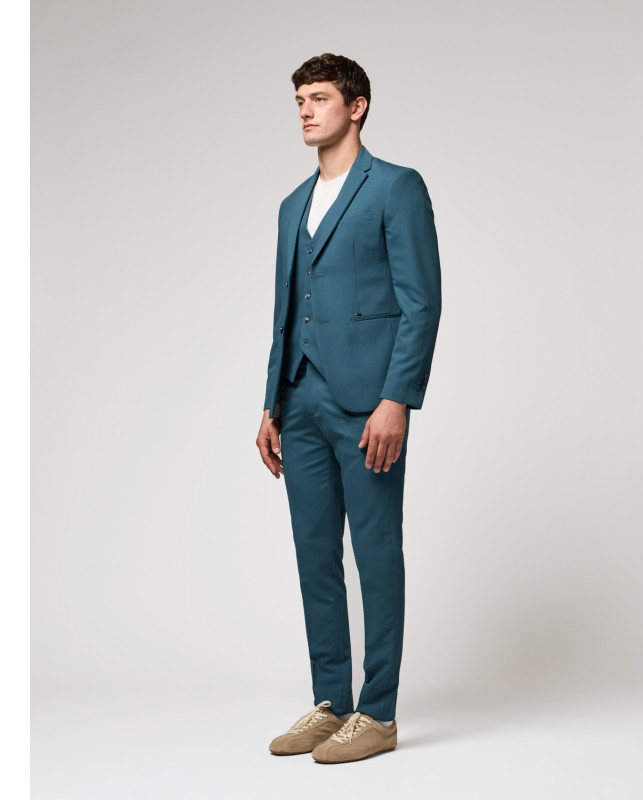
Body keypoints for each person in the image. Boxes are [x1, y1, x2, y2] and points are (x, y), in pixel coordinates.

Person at [256, 52, 442, 763]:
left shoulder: (395, 187)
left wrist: (397, 399)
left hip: (369, 403)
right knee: (314, 555)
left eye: (320, 98)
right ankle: (330, 701)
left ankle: (379, 712)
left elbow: (421, 302)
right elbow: (285, 312)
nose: (306, 111)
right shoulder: (291, 206)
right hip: (299, 398)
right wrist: (270, 402)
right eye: (299, 100)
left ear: (356, 106)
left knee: (375, 552)